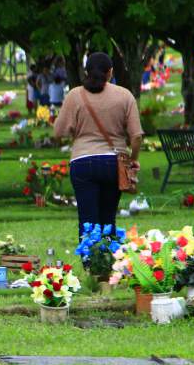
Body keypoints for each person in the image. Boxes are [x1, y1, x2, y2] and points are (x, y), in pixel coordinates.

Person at [54, 52, 143, 237]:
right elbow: (136, 136)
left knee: (87, 219)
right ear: (110, 72)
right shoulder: (124, 96)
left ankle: (89, 260)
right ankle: (108, 259)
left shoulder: (75, 95)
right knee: (108, 218)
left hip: (82, 161)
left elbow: (58, 132)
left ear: (86, 71)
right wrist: (133, 160)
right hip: (115, 162)